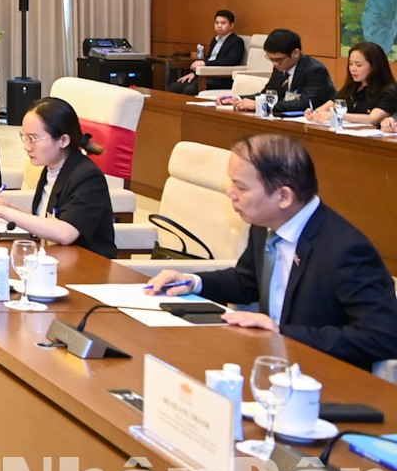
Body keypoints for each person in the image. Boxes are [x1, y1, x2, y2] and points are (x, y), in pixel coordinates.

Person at [146, 134, 397, 369]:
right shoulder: (266, 224)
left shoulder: (346, 250)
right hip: (266, 363)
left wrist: (280, 331)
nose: (229, 193)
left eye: (241, 187)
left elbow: (382, 337)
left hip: (323, 378)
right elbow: (247, 281)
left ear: (284, 197)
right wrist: (194, 282)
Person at [0, 97, 117, 257]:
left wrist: (3, 212)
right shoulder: (51, 167)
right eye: (25, 137)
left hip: (89, 267)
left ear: (63, 140)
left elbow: (66, 232)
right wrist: (9, 207)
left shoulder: (87, 176)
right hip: (54, 259)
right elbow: (44, 221)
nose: (26, 146)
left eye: (33, 138)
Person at [228, 28, 335, 115]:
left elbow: (305, 103)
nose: (274, 64)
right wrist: (238, 99)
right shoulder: (280, 66)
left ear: (295, 53)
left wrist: (261, 105)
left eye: (278, 60)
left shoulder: (315, 70)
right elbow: (268, 93)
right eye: (270, 59)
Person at [308, 41, 397, 127]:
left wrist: (337, 115)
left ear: (375, 66)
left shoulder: (389, 91)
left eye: (358, 65)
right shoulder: (351, 87)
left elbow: (372, 119)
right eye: (350, 64)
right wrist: (314, 113)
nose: (353, 69)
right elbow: (328, 106)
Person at [168, 9, 246, 94]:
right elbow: (209, 58)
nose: (219, 26)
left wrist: (205, 64)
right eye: (217, 23)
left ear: (231, 25)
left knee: (189, 89)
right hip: (205, 76)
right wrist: (195, 73)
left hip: (220, 78)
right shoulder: (215, 40)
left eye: (223, 23)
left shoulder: (236, 41)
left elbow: (230, 61)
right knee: (174, 87)